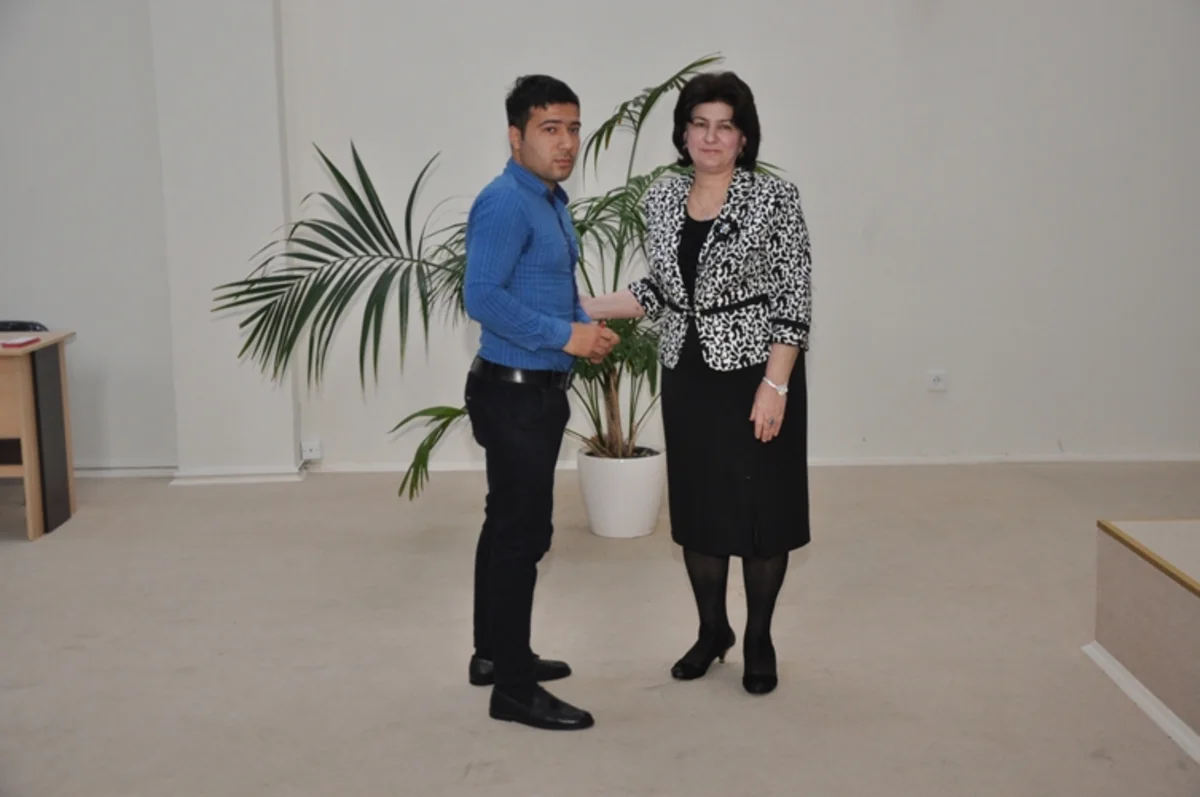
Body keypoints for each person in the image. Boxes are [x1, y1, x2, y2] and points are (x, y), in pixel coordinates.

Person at [582, 71, 813, 696]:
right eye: (700, 124)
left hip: (757, 375)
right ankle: (713, 631)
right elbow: (659, 291)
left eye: (725, 126)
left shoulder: (774, 198)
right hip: (689, 373)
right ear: (684, 133)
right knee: (701, 508)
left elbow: (793, 299)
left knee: (763, 511)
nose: (711, 137)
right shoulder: (661, 198)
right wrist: (583, 307)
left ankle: (759, 636)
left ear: (744, 137)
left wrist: (776, 386)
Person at [461, 74, 619, 731]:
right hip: (514, 394)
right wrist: (566, 336)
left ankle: (495, 654)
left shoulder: (551, 199)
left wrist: (585, 325)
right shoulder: (506, 202)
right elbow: (483, 297)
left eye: (573, 128)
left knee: (507, 524)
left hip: (533, 392)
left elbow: (547, 288)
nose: (566, 142)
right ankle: (514, 690)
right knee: (521, 536)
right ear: (515, 135)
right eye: (550, 129)